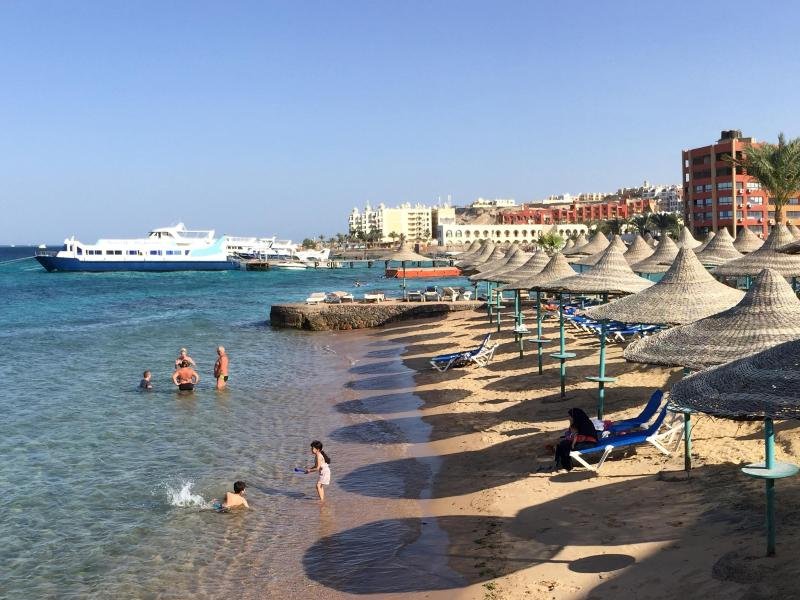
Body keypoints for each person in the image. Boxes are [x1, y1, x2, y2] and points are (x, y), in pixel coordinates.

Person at [548, 408, 598, 472]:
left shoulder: (583, 423)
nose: (570, 418)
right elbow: (572, 432)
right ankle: (561, 465)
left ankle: (566, 467)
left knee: (565, 446)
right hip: (585, 442)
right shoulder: (581, 421)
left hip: (589, 444)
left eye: (571, 416)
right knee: (563, 444)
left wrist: (572, 443)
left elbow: (580, 436)